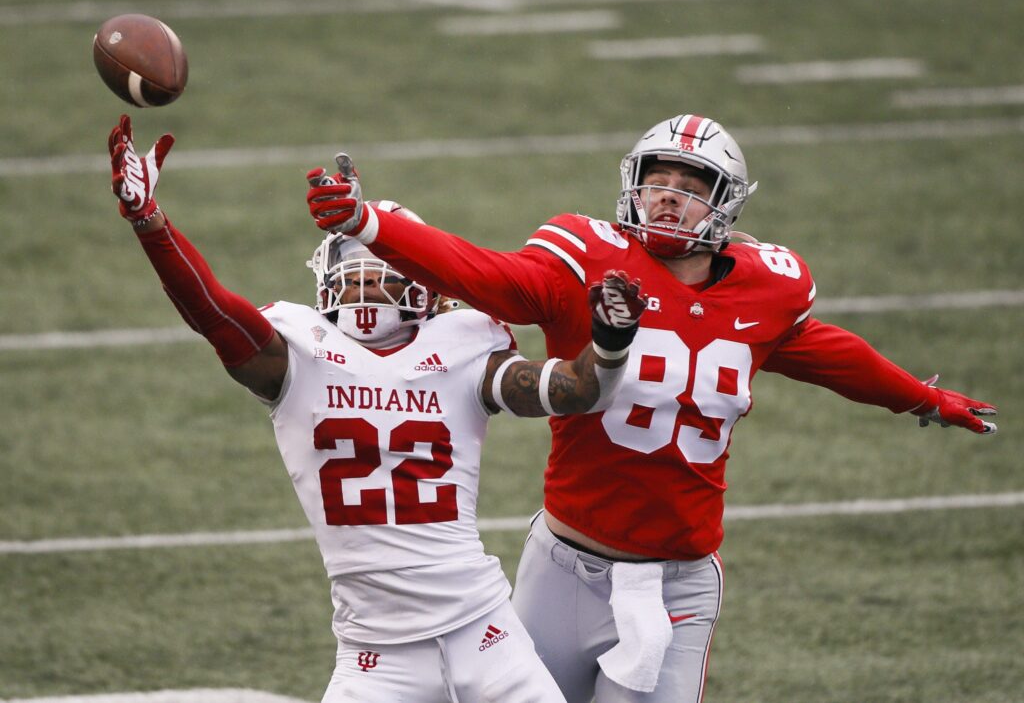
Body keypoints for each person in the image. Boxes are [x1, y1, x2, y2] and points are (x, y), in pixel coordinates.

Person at [302, 113, 998, 702]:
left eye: (689, 188)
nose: (667, 198)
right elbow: (486, 273)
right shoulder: (587, 260)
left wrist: (922, 398)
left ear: (725, 204)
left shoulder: (765, 291)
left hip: (679, 583)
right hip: (564, 567)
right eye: (657, 182)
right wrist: (370, 226)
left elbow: (826, 353)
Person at [106, 114, 649, 703]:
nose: (366, 282)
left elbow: (577, 391)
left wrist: (611, 342)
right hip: (376, 653)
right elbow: (212, 311)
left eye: (383, 270)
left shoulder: (465, 346)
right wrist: (150, 223)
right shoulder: (298, 351)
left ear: (425, 284)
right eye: (353, 270)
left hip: (485, 630)